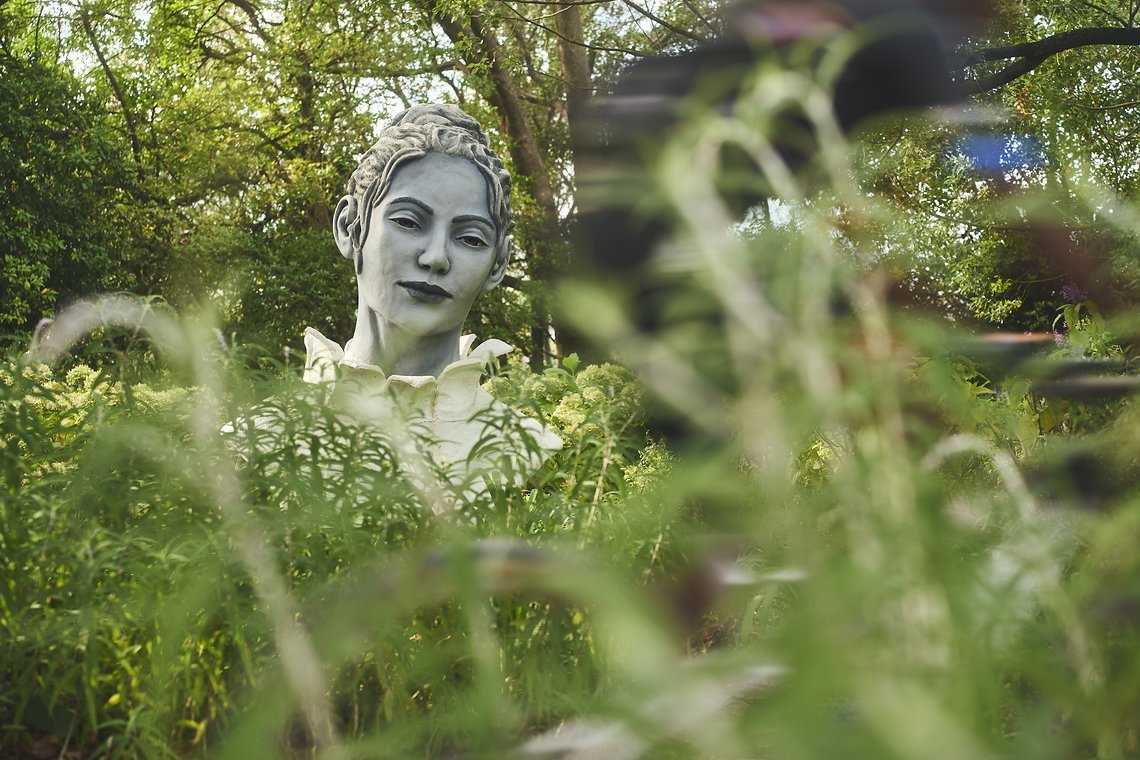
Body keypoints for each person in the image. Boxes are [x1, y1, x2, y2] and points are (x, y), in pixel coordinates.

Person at [302, 104, 561, 494]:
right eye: (408, 222)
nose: (436, 257)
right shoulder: (253, 442)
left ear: (499, 263)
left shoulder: (529, 453)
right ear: (349, 228)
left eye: (471, 238)